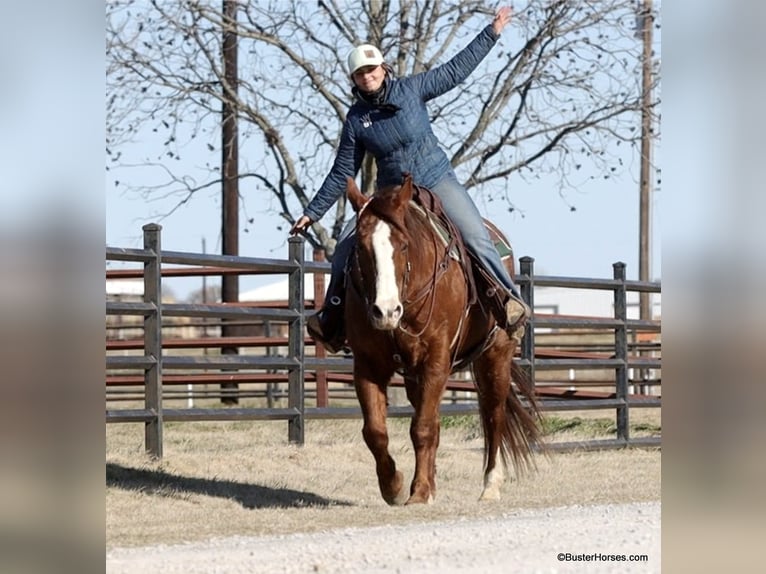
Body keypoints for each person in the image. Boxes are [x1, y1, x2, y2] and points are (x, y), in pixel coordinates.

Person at [290, 6, 529, 353]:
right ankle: (332, 318)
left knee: (476, 234)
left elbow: (455, 70)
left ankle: (508, 301)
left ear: (383, 68)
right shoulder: (356, 120)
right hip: (391, 194)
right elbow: (344, 171)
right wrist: (312, 212)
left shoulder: (412, 89)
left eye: (371, 69)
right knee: (345, 245)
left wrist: (491, 33)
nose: (367, 77)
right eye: (359, 73)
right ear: (353, 79)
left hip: (436, 179)